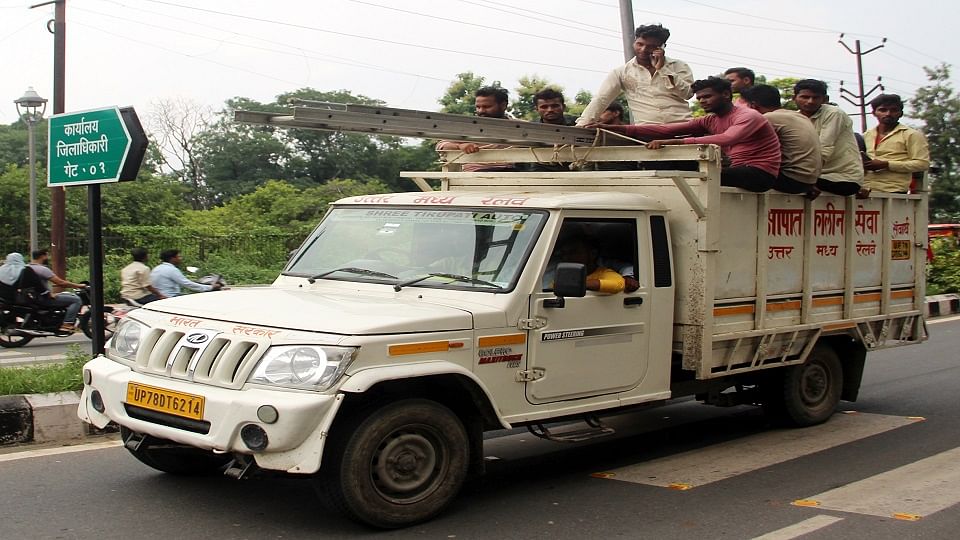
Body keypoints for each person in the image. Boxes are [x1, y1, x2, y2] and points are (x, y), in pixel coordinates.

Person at [589, 77, 781, 192]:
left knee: (704, 175)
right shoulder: (710, 120)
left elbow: (728, 138)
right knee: (666, 162)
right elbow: (667, 129)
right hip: (737, 169)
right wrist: (621, 128)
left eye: (707, 97)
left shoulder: (748, 116)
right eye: (700, 98)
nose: (703, 102)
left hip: (760, 174)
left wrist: (675, 143)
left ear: (725, 95)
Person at [576, 24, 694, 126]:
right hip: (647, 133)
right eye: (640, 44)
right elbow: (601, 100)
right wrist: (580, 127)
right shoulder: (621, 72)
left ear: (662, 47)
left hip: (684, 127)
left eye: (651, 46)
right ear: (634, 42)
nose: (643, 49)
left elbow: (688, 93)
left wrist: (663, 69)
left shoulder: (679, 66)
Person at [741, 84, 822, 198]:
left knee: (720, 174)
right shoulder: (799, 116)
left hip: (790, 180)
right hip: (808, 181)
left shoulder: (767, 118)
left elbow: (740, 147)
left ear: (753, 105)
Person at [793, 79, 864, 196]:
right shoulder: (794, 118)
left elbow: (824, 149)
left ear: (825, 99)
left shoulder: (834, 113)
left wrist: (803, 176)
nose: (810, 101)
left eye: (815, 97)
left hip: (842, 178)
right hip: (814, 176)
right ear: (794, 98)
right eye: (805, 97)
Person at [862, 94, 930, 194]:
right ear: (874, 113)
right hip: (864, 190)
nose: (888, 114)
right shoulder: (866, 135)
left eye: (894, 110)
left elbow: (922, 164)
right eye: (883, 110)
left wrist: (887, 164)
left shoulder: (911, 135)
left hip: (893, 191)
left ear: (900, 113)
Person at [436, 86, 515, 172]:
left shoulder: (520, 127)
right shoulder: (468, 126)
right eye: (478, 107)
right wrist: (460, 146)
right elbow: (441, 145)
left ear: (503, 105)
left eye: (487, 107)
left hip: (512, 173)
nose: (481, 111)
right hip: (475, 174)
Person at [544, 234, 626, 294]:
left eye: (573, 252)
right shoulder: (563, 275)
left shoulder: (604, 273)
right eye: (564, 253)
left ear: (593, 254)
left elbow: (619, 284)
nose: (566, 257)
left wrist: (580, 284)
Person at [29, 249, 85, 332]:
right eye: (47, 255)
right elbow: (60, 282)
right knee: (76, 300)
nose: (48, 258)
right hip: (44, 298)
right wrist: (79, 285)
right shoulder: (42, 269)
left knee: (63, 295)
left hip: (33, 297)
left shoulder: (27, 268)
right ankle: (67, 324)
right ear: (43, 256)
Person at [150, 249, 222, 298]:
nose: (181, 258)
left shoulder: (157, 268)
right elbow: (187, 284)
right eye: (179, 256)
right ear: (172, 258)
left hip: (160, 295)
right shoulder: (172, 270)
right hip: (170, 296)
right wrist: (211, 287)